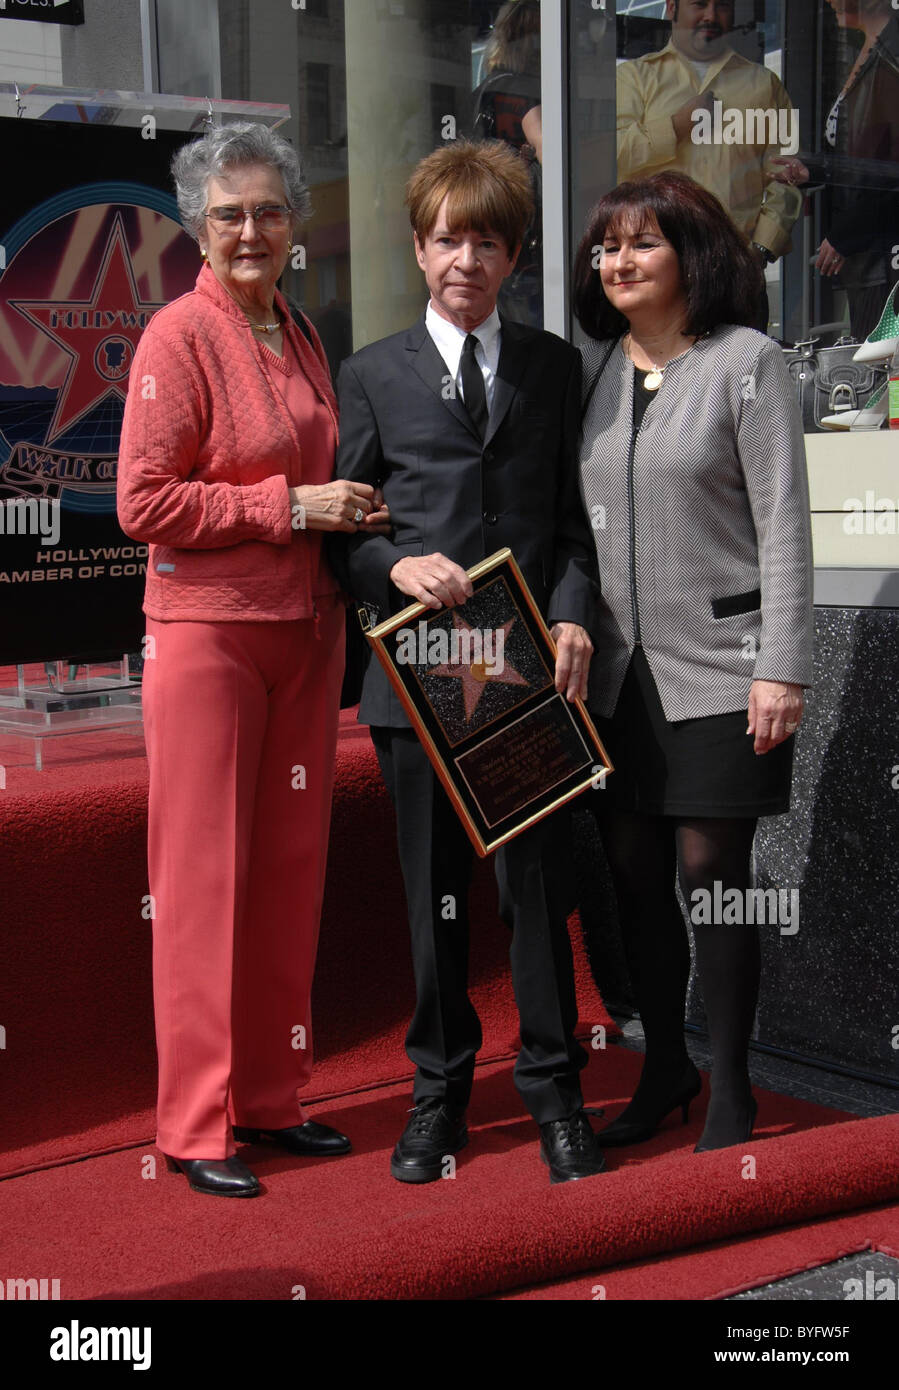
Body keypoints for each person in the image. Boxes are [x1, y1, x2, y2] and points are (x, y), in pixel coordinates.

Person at [117, 122, 387, 1198]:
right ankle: (192, 1123)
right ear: (196, 225)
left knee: (287, 876)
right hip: (208, 636)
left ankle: (271, 1099)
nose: (251, 230)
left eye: (270, 210)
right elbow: (144, 501)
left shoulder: (301, 329)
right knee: (199, 884)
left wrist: (350, 512)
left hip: (304, 632)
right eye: (229, 212)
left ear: (295, 224)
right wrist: (288, 505)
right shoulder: (176, 336)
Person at [332, 139, 606, 1186]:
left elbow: (574, 530)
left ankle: (555, 1096)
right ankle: (437, 1098)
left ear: (511, 257)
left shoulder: (551, 366)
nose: (465, 260)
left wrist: (573, 616)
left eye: (486, 243)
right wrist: (394, 569)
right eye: (448, 239)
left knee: (534, 896)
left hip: (524, 675)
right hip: (417, 675)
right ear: (417, 248)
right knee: (431, 897)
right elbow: (343, 535)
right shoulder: (368, 373)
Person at [573, 171, 814, 1153]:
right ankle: (663, 1062)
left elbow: (783, 527)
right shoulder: (592, 372)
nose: (619, 263)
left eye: (642, 244)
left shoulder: (748, 362)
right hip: (617, 677)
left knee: (712, 869)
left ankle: (731, 1083)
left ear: (692, 254)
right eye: (606, 249)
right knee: (631, 873)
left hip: (728, 663)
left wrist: (783, 665)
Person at [616, 0, 803, 325]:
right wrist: (676, 126)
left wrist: (759, 252)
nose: (711, 16)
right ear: (672, 7)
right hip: (652, 274)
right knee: (656, 376)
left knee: (740, 376)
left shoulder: (764, 85)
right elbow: (611, 156)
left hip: (734, 275)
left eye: (723, 6)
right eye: (699, 4)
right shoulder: (634, 79)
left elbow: (784, 177)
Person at [771, 0, 899, 344]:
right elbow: (859, 153)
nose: (828, 1)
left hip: (882, 252)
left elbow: (888, 167)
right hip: (868, 251)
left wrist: (848, 232)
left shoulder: (891, 53)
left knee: (884, 375)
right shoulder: (864, 49)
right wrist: (811, 169)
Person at [471, 0, 543, 325]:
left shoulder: (483, 93)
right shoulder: (523, 93)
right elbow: (551, 152)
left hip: (493, 237)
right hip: (529, 250)